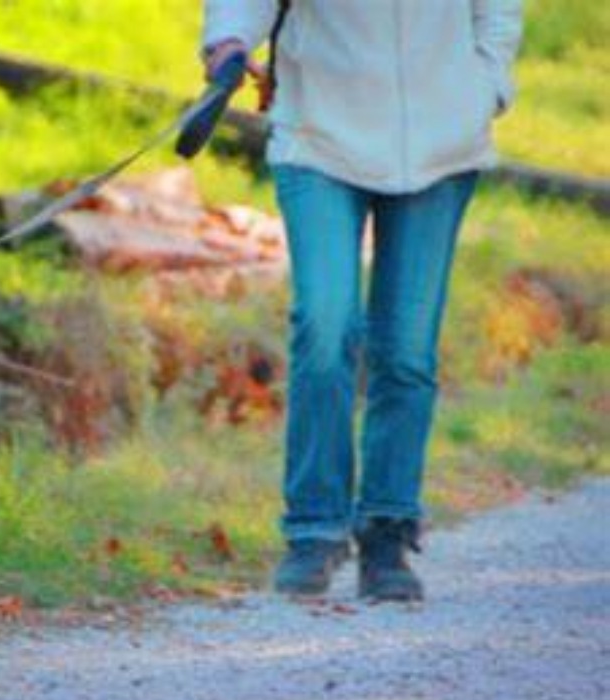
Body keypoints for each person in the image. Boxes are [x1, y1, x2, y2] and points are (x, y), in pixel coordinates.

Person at [201, 1, 523, 600]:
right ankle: (314, 531)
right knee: (325, 324)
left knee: (406, 351)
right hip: (320, 135)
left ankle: (387, 532)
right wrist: (226, 41)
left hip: (441, 144)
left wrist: (489, 85)